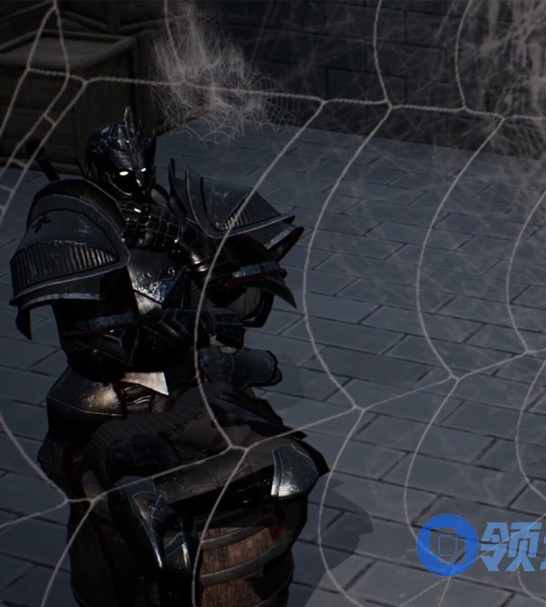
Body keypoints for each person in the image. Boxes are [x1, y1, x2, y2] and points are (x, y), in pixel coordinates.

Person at [9, 109, 328, 607]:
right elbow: (96, 348)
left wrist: (187, 244)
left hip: (188, 386)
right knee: (131, 456)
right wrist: (156, 333)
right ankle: (145, 509)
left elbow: (241, 303)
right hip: (114, 400)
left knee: (290, 457)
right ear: (100, 173)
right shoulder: (79, 229)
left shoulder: (176, 212)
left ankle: (158, 499)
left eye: (144, 173)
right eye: (125, 176)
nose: (138, 185)